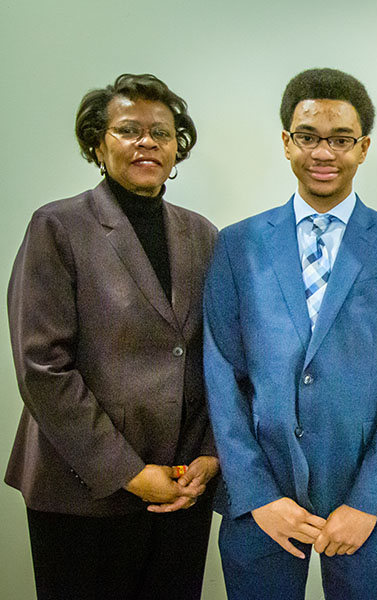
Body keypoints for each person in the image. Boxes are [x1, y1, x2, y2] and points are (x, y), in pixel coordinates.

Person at [203, 67, 377, 600]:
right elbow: (222, 373)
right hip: (261, 491)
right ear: (287, 142)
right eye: (308, 137)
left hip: (364, 495)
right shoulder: (237, 245)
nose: (323, 152)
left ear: (364, 147)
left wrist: (371, 500)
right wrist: (257, 493)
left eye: (340, 139)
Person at [5, 73, 219, 600]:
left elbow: (223, 354)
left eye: (162, 133)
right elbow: (42, 367)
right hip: (82, 488)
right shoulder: (58, 226)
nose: (147, 142)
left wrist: (210, 455)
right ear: (98, 145)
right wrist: (127, 471)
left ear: (177, 148)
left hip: (180, 486)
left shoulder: (203, 235)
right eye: (129, 130)